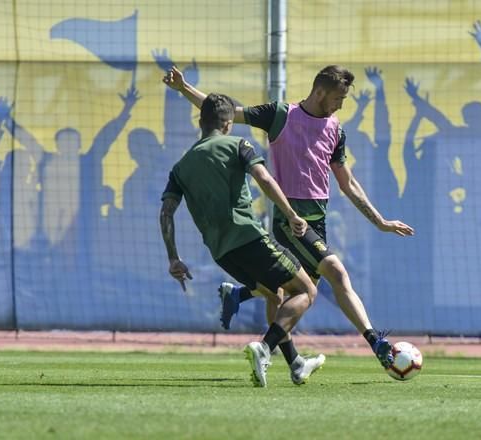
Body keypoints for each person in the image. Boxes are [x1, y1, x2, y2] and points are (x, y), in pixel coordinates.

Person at [163, 64, 415, 369]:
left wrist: (380, 221)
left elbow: (347, 183)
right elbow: (225, 113)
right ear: (320, 91)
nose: (340, 104)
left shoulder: (336, 130)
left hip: (317, 221)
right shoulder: (279, 115)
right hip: (290, 220)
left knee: (283, 293)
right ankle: (377, 343)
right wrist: (184, 88)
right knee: (336, 273)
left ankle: (246, 303)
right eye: (338, 98)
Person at [159, 93, 320, 387]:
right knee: (306, 290)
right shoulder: (238, 144)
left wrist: (173, 257)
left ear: (200, 121)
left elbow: (166, 213)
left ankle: (296, 364)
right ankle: (265, 348)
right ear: (229, 123)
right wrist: (292, 214)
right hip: (249, 237)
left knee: (276, 295)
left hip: (222, 252)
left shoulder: (181, 166)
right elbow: (264, 179)